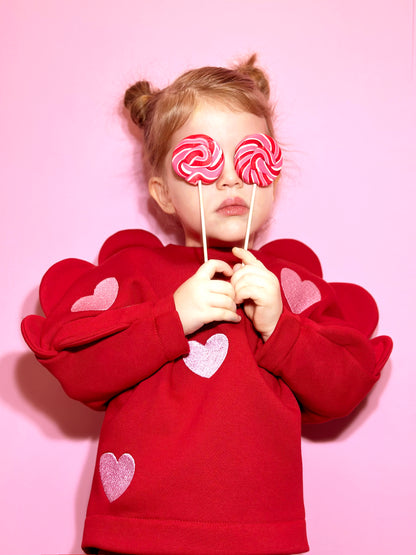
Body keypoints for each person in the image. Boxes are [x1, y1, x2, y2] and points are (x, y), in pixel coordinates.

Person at [21, 55, 392, 555]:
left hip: (259, 536)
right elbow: (77, 365)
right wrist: (169, 318)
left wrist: (282, 327)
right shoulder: (136, 274)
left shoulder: (287, 285)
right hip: (136, 532)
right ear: (164, 194)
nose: (230, 180)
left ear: (272, 174)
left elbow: (343, 387)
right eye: (204, 159)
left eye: (249, 156)